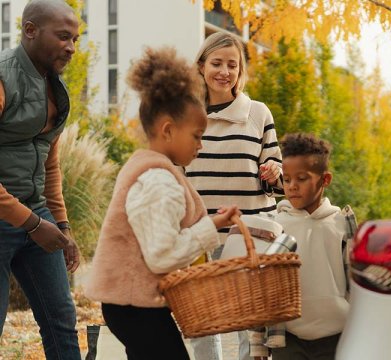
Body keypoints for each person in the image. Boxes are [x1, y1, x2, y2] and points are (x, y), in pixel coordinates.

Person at [84, 47, 240, 360]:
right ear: (168, 130)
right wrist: (209, 227)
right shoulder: (158, 181)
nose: (200, 145)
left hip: (131, 304)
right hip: (134, 305)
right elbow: (162, 255)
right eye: (196, 136)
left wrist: (212, 223)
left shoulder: (151, 170)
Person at [185, 31, 284, 360]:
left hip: (249, 232)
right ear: (201, 66)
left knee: (252, 324)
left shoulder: (258, 113)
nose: (224, 71)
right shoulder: (186, 115)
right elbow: (174, 172)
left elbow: (277, 171)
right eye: (216, 63)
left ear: (241, 71)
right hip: (202, 232)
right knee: (203, 320)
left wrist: (272, 169)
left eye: (232, 65)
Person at [0, 1, 81, 358]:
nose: (71, 47)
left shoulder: (56, 88)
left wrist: (61, 225)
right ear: (30, 31)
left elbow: (49, 163)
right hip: (12, 218)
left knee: (61, 319)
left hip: (37, 215)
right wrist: (32, 223)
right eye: (63, 36)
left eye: (75, 39)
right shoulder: (3, 78)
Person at [251, 133, 351, 360]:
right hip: (287, 340)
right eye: (286, 180)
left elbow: (356, 286)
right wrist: (257, 345)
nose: (292, 186)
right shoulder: (275, 226)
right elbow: (262, 288)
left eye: (302, 179)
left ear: (325, 180)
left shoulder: (342, 225)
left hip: (336, 339)